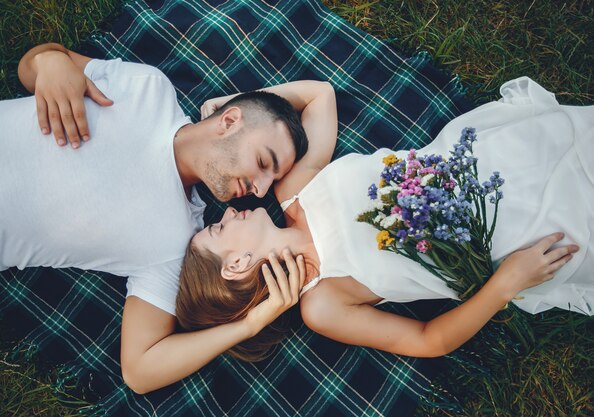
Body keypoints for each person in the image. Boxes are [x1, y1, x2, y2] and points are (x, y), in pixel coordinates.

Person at [0, 43, 336, 393]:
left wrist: (250, 324)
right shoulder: (149, 88)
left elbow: (140, 371)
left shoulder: (176, 245)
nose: (260, 190)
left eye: (270, 181)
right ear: (229, 121)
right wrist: (50, 62)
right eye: (261, 163)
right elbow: (31, 65)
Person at [176, 76, 593, 361]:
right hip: (513, 235)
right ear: (237, 265)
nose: (228, 211)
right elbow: (428, 341)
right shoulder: (323, 305)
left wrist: (233, 109)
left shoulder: (294, 194)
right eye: (217, 228)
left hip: (493, 159)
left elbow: (320, 95)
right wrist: (506, 284)